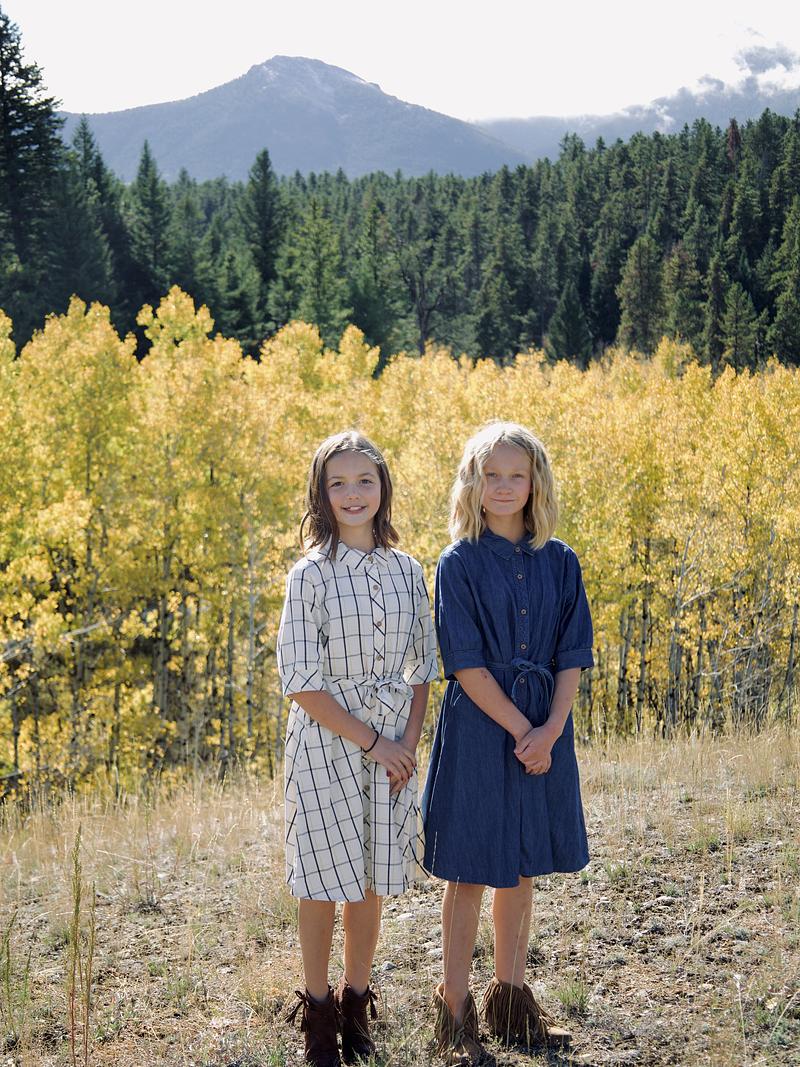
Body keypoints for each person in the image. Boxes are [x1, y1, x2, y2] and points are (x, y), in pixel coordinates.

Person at [421, 421, 594, 1064]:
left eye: (515, 474)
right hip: (479, 730)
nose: (502, 485)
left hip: (545, 729)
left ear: (534, 482)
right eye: (490, 474)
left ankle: (513, 1005)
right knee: (470, 870)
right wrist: (523, 730)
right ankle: (455, 1015)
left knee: (521, 867)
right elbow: (464, 663)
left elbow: (573, 653)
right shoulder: (458, 563)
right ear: (472, 482)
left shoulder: (561, 560)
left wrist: (550, 729)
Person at [277, 430, 438, 1067]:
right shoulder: (309, 575)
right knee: (322, 880)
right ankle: (318, 1014)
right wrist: (372, 741)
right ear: (321, 493)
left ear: (383, 488)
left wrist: (406, 744)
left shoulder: (408, 571)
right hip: (327, 744)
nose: (352, 494)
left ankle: (355, 1002)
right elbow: (300, 682)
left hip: (392, 747)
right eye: (338, 483)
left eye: (364, 481)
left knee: (369, 880)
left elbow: (423, 667)